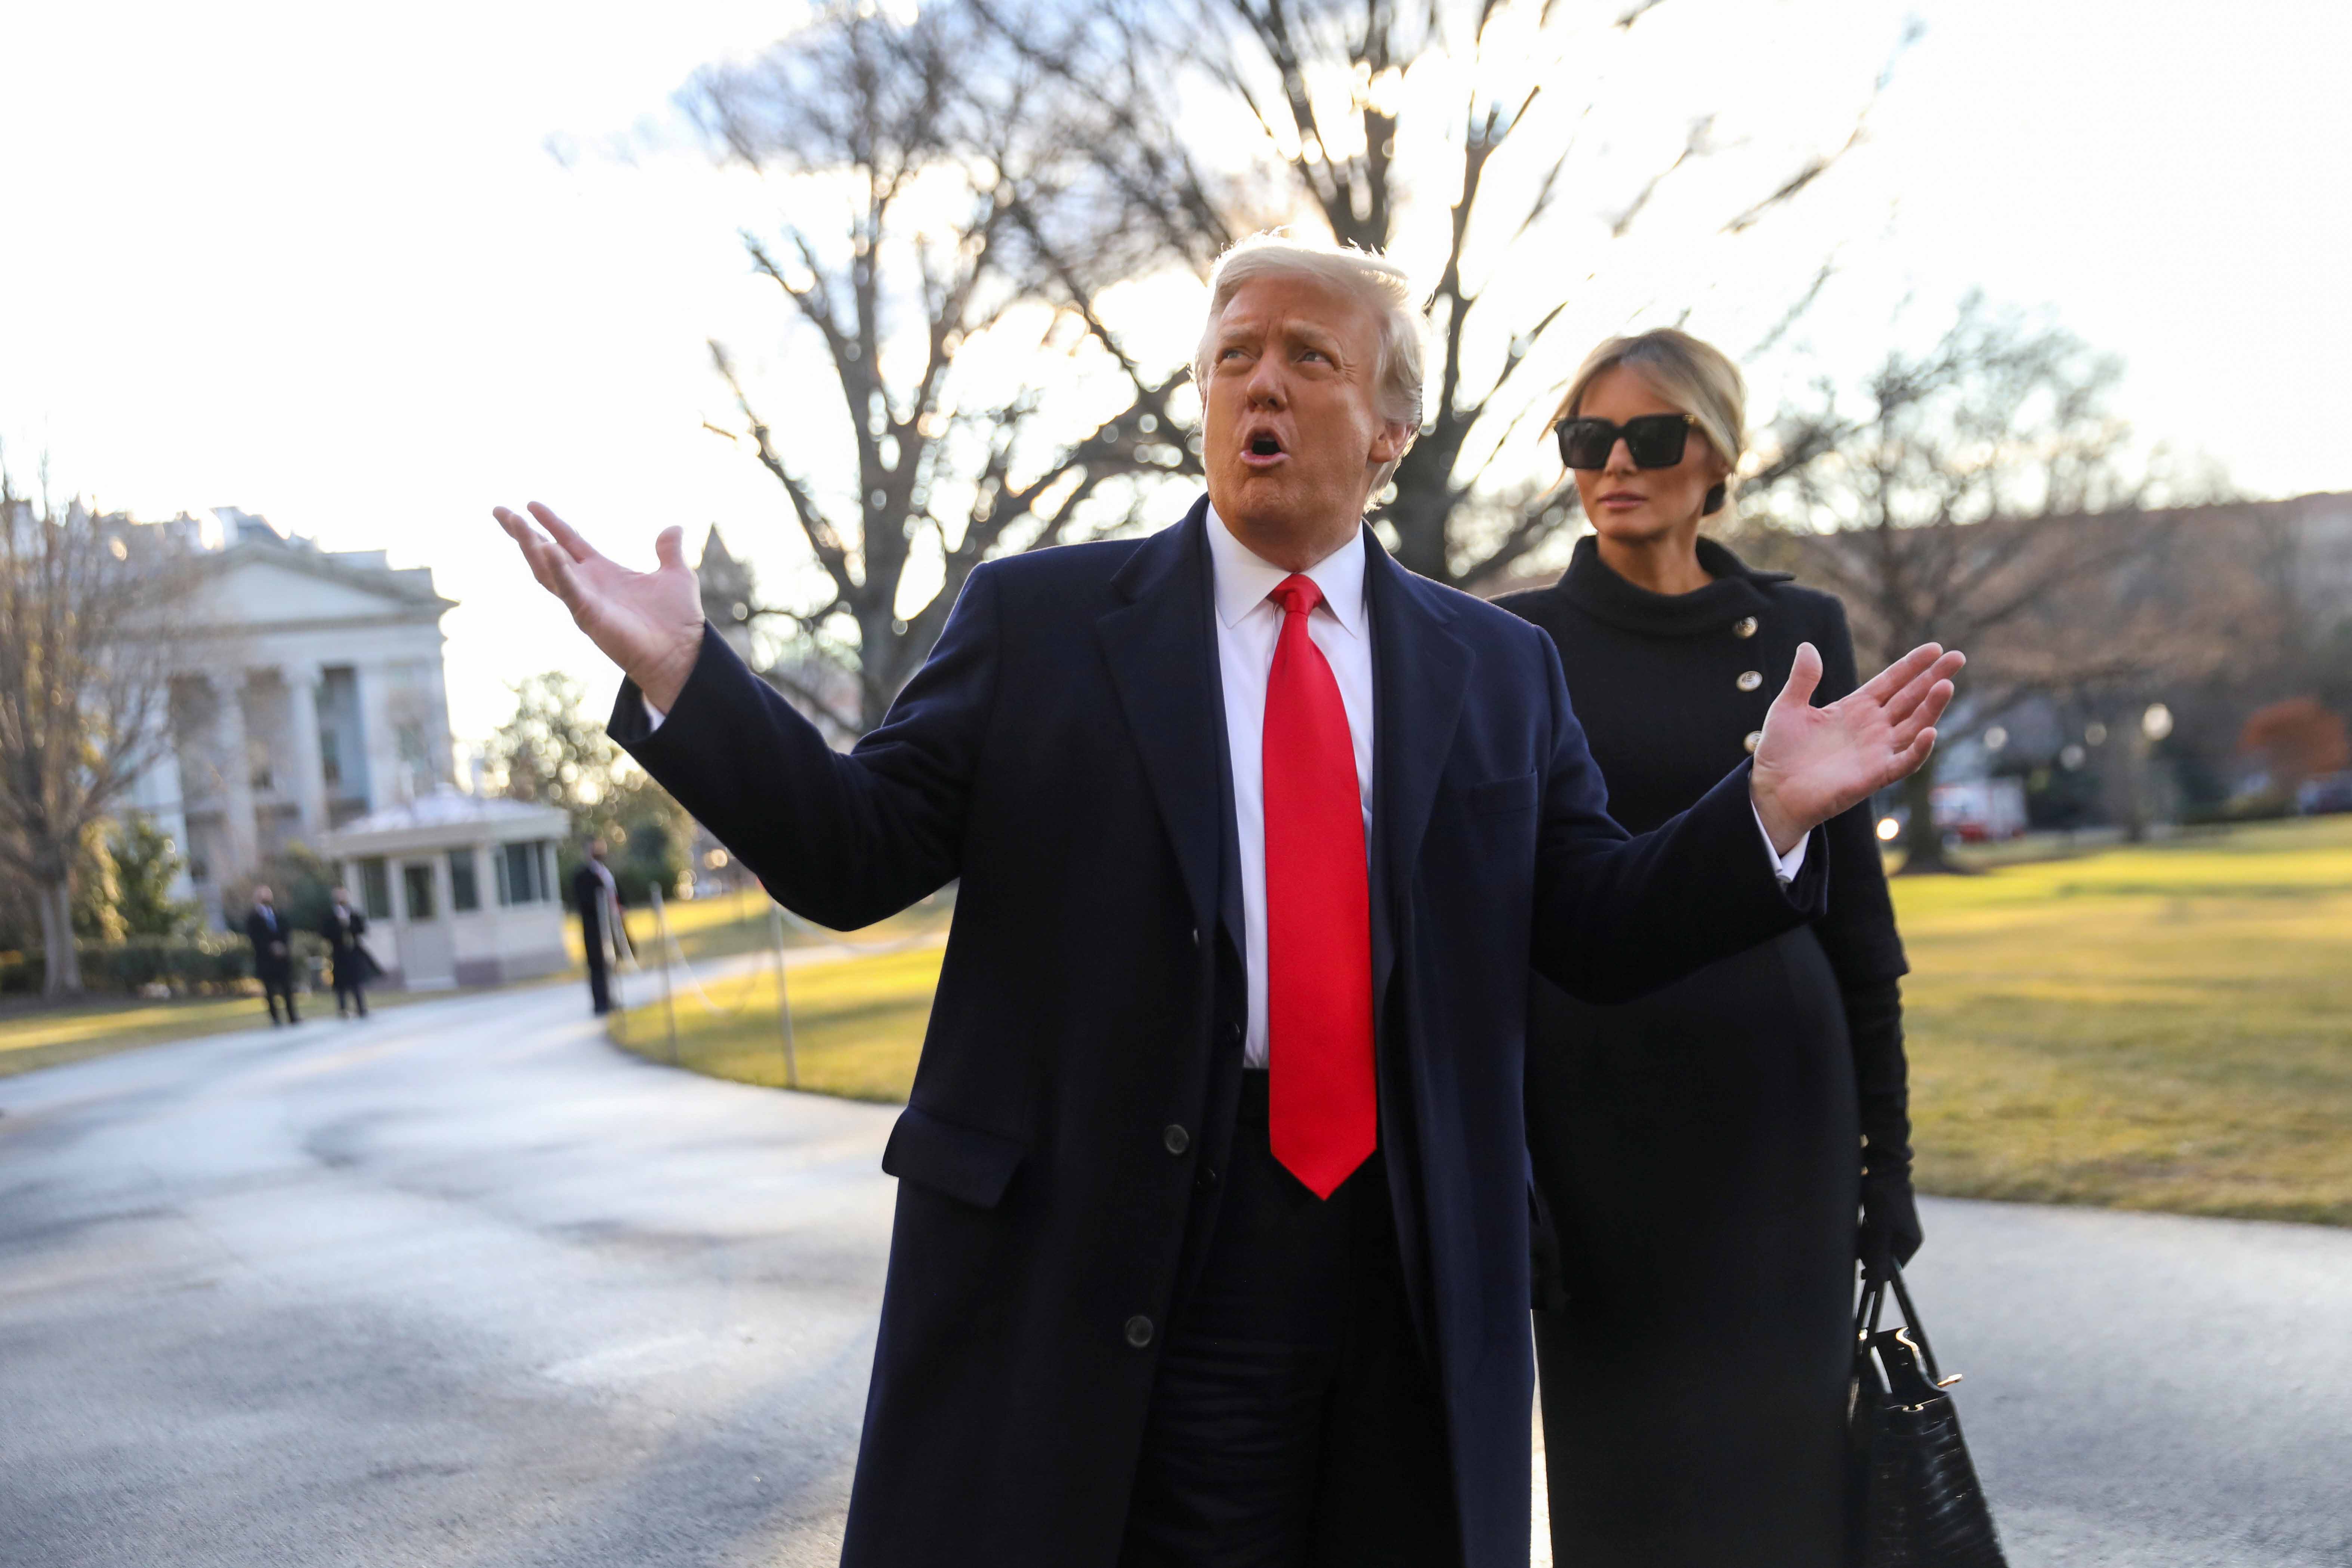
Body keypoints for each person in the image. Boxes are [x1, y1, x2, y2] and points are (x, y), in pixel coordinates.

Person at [492, 234, 1960, 1568]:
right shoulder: (1046, 621)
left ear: (1387, 428)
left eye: (1308, 357)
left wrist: (1759, 812)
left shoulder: (1491, 667)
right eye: (1231, 355)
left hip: (1407, 1253)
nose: (1260, 382)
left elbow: (1590, 920)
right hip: (1135, 1237)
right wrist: (691, 676)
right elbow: (851, 851)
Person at [1496, 328, 1920, 1568]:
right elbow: (1497, 917)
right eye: (1588, 439)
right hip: (1594, 1117)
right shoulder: (1513, 646)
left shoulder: (1797, 629)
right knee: (1622, 1477)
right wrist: (1508, 1161)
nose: (1616, 462)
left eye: (1651, 435)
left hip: (1779, 1112)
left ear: (1717, 452)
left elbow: (1853, 912)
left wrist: (1883, 1154)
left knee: (1784, 1474)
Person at [571, 839, 622, 1015]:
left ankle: (611, 998)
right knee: (597, 966)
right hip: (595, 931)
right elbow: (585, 903)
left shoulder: (606, 873)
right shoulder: (582, 876)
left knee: (611, 963)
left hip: (612, 927)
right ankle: (600, 1002)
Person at [244, 885, 300, 1026]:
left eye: (267, 895)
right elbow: (255, 938)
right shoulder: (253, 918)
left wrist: (282, 947)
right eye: (262, 895)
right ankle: (275, 1018)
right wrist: (271, 947)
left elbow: (287, 932)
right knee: (270, 990)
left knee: (287, 988)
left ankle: (293, 1016)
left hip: (282, 959)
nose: (266, 898)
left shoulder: (278, 914)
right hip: (266, 960)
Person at [318, 885, 377, 1019]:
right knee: (341, 983)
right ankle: (342, 1009)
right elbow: (325, 933)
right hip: (339, 953)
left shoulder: (353, 914)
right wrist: (339, 927)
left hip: (353, 952)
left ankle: (361, 1008)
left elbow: (362, 929)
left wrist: (348, 925)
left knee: (356, 982)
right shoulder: (330, 916)